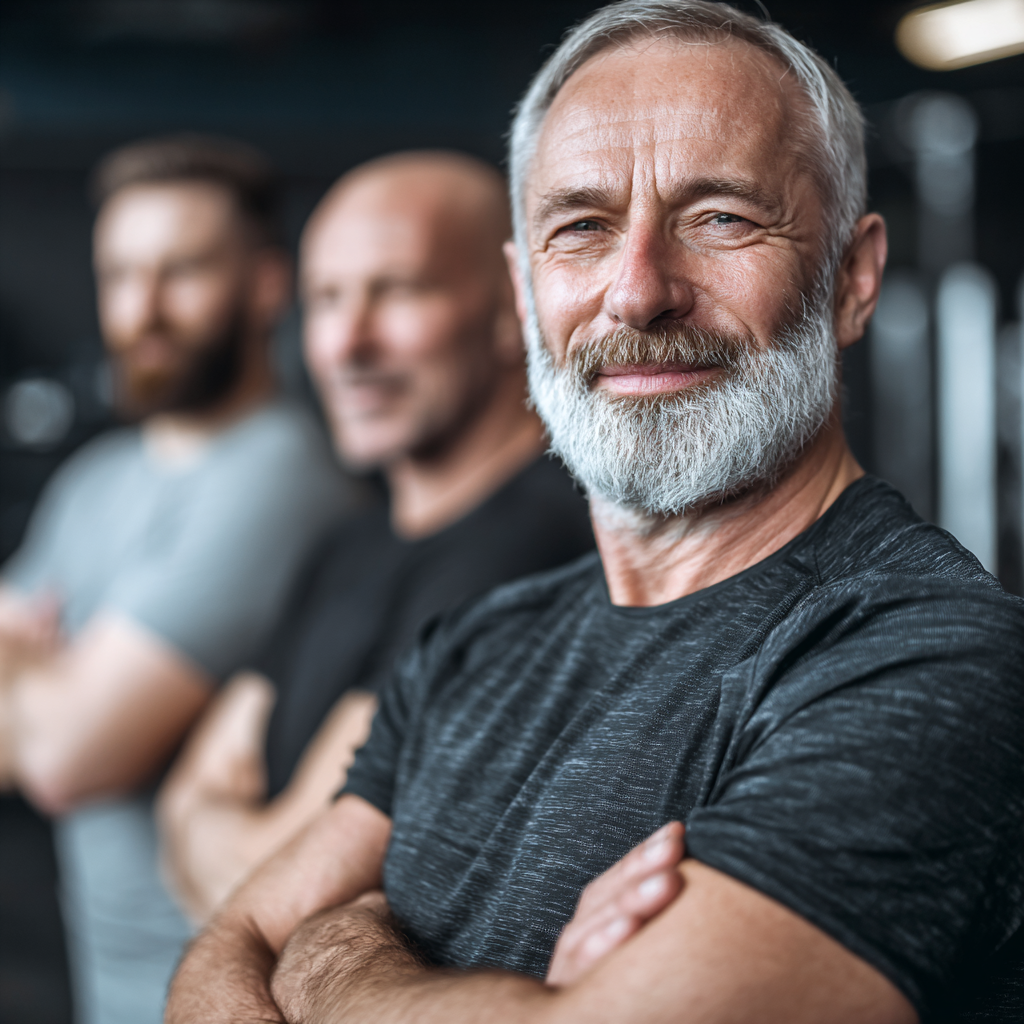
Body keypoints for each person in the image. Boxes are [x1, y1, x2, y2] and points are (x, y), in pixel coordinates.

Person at [166, 4, 1024, 1024]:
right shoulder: (472, 645)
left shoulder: (931, 657)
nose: (638, 292)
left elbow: (280, 944)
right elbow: (226, 948)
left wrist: (333, 948)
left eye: (720, 218)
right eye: (581, 227)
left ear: (852, 277)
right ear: (524, 292)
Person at [156, 151, 594, 924]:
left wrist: (214, 834)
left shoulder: (528, 546)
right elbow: (182, 804)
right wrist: (221, 840)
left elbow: (293, 884)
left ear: (512, 308)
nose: (347, 345)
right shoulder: (350, 543)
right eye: (326, 299)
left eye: (397, 291)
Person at [0, 135, 351, 1024]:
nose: (142, 309)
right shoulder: (94, 481)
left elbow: (68, 758)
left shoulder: (279, 475)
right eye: (120, 275)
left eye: (181, 271)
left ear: (265, 285)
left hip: (224, 994)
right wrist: (58, 685)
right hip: (103, 989)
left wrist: (29, 665)